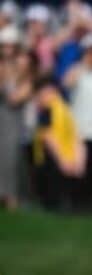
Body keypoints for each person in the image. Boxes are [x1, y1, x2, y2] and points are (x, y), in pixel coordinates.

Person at [62, 32, 92, 213]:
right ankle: (75, 206)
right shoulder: (77, 71)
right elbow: (67, 82)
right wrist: (83, 65)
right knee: (77, 171)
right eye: (89, 52)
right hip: (79, 131)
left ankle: (90, 207)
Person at [32, 76, 84, 211]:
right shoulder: (65, 109)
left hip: (53, 159)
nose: (40, 98)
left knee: (52, 199)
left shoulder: (48, 110)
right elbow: (76, 137)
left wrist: (62, 160)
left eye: (42, 94)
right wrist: (77, 160)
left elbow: (49, 137)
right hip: (68, 158)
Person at [0, 26, 33, 210]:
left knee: (12, 162)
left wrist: (11, 67)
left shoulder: (23, 68)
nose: (7, 50)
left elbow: (16, 97)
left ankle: (13, 201)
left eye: (11, 47)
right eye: (4, 46)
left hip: (12, 124)